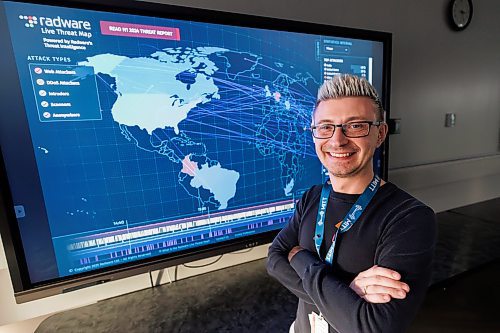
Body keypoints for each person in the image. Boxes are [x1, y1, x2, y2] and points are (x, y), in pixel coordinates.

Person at [267, 74, 436, 333]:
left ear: (380, 134)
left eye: (355, 126)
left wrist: (300, 257)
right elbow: (275, 259)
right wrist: (348, 293)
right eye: (325, 127)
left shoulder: (409, 218)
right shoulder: (311, 197)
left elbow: (373, 326)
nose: (337, 140)